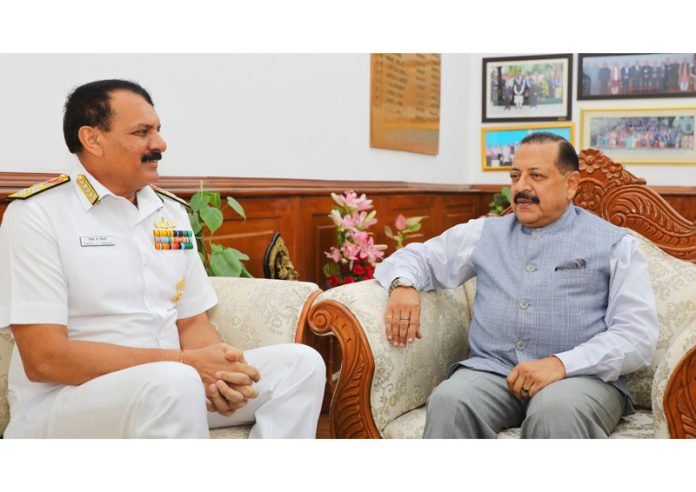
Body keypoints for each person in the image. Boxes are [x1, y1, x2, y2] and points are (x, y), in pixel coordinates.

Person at [0, 79, 326, 438]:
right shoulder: (38, 215)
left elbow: (191, 323)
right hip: (67, 402)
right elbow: (44, 358)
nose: (159, 144)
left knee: (301, 365)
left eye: (157, 130)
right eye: (142, 132)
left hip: (172, 387)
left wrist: (217, 375)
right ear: (93, 140)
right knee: (176, 383)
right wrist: (185, 365)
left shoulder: (170, 212)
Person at [374, 132, 658, 439]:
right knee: (449, 401)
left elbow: (637, 336)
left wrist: (561, 364)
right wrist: (404, 286)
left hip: (580, 379)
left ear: (572, 184)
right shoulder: (485, 233)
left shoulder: (615, 244)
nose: (522, 187)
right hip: (493, 371)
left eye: (536, 176)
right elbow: (415, 259)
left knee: (556, 412)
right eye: (515, 175)